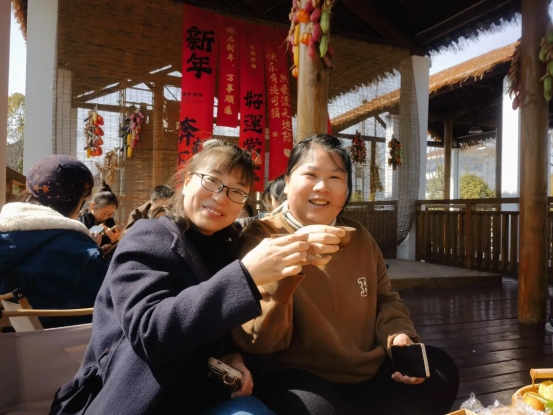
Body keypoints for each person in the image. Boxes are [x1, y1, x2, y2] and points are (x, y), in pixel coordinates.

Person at [50, 140, 331, 415]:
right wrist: (246, 273)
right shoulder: (147, 237)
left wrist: (234, 357)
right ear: (186, 182)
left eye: (237, 191)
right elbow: (150, 333)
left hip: (201, 397)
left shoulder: (226, 248)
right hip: (140, 400)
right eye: (212, 181)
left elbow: (222, 329)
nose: (220, 197)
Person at [233, 134, 459, 415]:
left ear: (347, 189)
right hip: (297, 376)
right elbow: (259, 340)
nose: (322, 187)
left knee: (441, 370)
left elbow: (386, 300)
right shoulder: (263, 237)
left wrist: (398, 336)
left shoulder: (359, 236)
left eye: (335, 178)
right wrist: (293, 263)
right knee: (319, 409)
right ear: (288, 182)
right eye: (310, 175)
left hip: (367, 371)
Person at [0, 155, 109, 328]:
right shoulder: (83, 254)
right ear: (80, 201)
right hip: (67, 344)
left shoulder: (5, 237)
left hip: (9, 342)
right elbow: (113, 305)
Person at [78, 181, 121, 253]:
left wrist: (114, 240)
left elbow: (113, 250)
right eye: (104, 213)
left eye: (110, 214)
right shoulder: (81, 220)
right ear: (92, 206)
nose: (106, 217)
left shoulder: (109, 220)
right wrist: (96, 230)